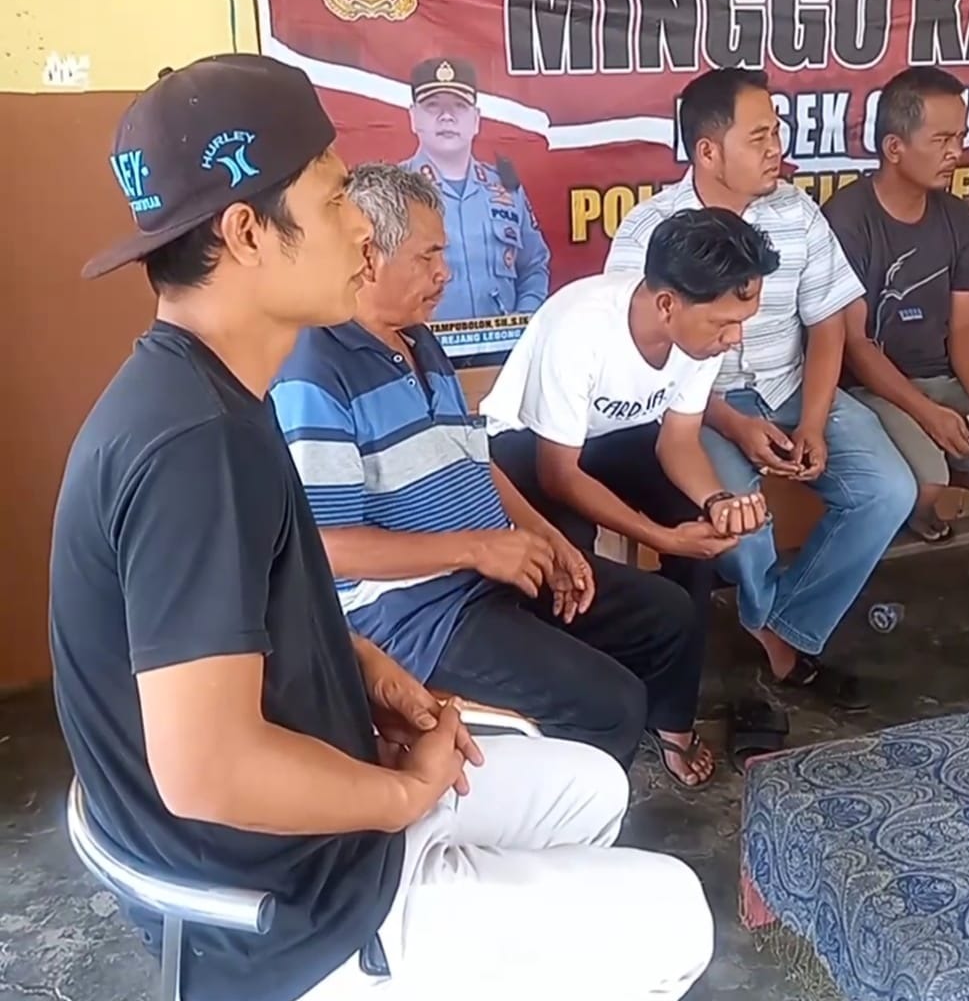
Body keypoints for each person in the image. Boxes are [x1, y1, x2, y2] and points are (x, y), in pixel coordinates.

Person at [49, 54, 713, 1001]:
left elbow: (258, 617)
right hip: (296, 905)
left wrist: (365, 673)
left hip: (333, 800)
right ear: (246, 232)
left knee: (592, 787)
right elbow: (208, 772)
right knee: (677, 912)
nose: (363, 226)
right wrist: (402, 795)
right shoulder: (194, 448)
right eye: (332, 200)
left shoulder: (214, 394)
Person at [271, 163, 714, 787]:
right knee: (611, 704)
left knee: (667, 613)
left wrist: (548, 541)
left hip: (485, 575)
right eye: (427, 257)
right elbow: (328, 548)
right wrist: (479, 549)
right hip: (414, 617)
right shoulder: (314, 369)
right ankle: (555, 818)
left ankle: (613, 764)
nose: (444, 273)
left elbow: (475, 465)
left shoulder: (418, 342)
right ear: (369, 256)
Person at [606, 67, 917, 709]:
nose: (777, 148)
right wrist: (735, 425)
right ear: (708, 151)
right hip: (698, 410)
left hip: (792, 387)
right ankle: (773, 634)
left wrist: (814, 421)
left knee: (889, 489)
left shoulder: (795, 212)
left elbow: (827, 323)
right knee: (743, 532)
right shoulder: (648, 230)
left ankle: (783, 625)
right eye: (759, 137)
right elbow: (647, 364)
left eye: (776, 132)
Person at [481, 208, 773, 702]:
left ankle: (672, 715)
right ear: (667, 305)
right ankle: (584, 698)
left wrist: (718, 500)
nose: (735, 337)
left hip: (615, 434)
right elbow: (558, 474)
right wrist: (661, 537)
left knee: (699, 528)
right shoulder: (581, 328)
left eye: (741, 322)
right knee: (572, 555)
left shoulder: (701, 338)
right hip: (526, 445)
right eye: (725, 324)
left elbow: (678, 440)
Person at [824, 65, 969, 542]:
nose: (956, 152)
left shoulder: (961, 220)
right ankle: (924, 490)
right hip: (868, 389)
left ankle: (939, 472)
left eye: (961, 138)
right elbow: (855, 345)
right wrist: (928, 416)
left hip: (942, 382)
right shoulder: (847, 220)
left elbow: (966, 325)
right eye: (942, 140)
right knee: (925, 483)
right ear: (894, 148)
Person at [400, 57, 550, 321]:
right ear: (413, 117)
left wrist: (521, 322)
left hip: (505, 344)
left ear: (476, 119)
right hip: (422, 343)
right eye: (433, 105)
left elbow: (534, 266)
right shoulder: (393, 191)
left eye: (459, 106)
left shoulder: (506, 188)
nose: (447, 117)